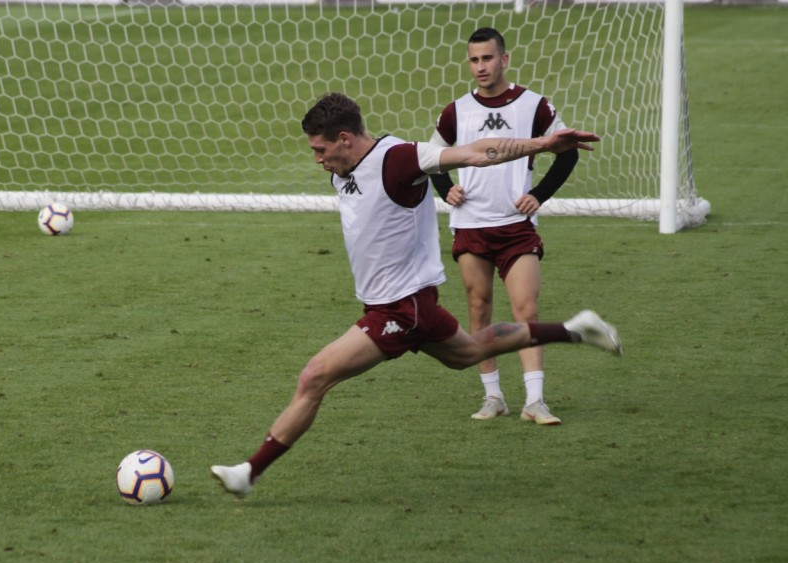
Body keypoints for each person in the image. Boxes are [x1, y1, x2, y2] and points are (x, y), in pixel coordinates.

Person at [210, 92, 619, 498]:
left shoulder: (400, 159)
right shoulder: (344, 167)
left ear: (345, 139)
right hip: (403, 304)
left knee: (315, 376)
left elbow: (477, 152)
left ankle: (249, 472)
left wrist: (543, 144)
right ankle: (575, 329)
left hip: (400, 308)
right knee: (469, 352)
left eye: (321, 149)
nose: (317, 159)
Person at [430, 27, 580, 425]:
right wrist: (446, 189)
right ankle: (493, 396)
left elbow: (567, 152)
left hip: (516, 225)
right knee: (479, 308)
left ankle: (536, 401)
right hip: (470, 225)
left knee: (526, 309)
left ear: (504, 59)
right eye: (474, 60)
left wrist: (540, 194)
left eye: (488, 58)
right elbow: (433, 157)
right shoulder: (456, 110)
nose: (480, 66)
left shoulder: (533, 105)